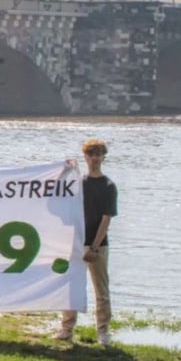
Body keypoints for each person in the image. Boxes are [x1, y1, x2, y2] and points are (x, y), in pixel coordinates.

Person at [56, 138, 117, 346]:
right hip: (75, 242)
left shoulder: (109, 186)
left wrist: (94, 246)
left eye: (98, 154)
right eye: (91, 154)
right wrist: (64, 171)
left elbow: (106, 218)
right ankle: (66, 328)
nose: (95, 158)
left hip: (98, 245)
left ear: (103, 158)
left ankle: (103, 332)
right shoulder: (78, 184)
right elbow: (56, 196)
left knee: (102, 291)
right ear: (86, 157)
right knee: (71, 287)